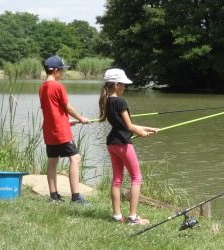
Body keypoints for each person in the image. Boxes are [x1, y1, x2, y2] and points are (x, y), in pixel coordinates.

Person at [98, 68, 158, 224]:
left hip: (112, 143)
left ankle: (117, 216)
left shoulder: (107, 100)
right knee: (136, 178)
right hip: (123, 144)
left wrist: (147, 128)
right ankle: (132, 217)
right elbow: (130, 127)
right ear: (117, 84)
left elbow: (124, 125)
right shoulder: (120, 101)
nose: (125, 87)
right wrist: (142, 133)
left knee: (117, 179)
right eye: (123, 84)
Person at [39, 55, 90, 205]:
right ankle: (76, 197)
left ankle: (54, 196)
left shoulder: (42, 88)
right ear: (54, 70)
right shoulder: (58, 86)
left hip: (50, 130)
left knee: (53, 161)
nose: (62, 73)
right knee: (75, 159)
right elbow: (66, 107)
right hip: (61, 131)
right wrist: (81, 118)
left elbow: (51, 110)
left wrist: (67, 122)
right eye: (61, 70)